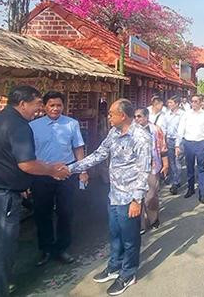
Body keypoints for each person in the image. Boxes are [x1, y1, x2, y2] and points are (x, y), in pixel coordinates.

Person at [0, 86, 69, 297]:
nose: (39, 110)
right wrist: (52, 170)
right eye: (37, 105)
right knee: (0, 255)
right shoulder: (19, 125)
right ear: (22, 104)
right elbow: (27, 164)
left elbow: (4, 160)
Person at [67, 99, 151, 296]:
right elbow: (99, 154)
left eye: (112, 113)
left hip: (129, 198)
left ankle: (128, 273)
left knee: (130, 238)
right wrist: (70, 168)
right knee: (114, 234)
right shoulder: (114, 132)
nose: (109, 116)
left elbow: (144, 170)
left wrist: (137, 200)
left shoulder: (141, 138)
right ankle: (114, 266)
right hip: (114, 194)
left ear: (123, 116)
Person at [29, 91, 87, 266]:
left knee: (66, 212)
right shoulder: (33, 126)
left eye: (59, 105)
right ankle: (46, 248)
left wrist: (82, 170)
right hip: (42, 174)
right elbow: (28, 153)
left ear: (63, 106)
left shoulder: (71, 124)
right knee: (42, 212)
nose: (55, 109)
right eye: (51, 105)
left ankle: (62, 248)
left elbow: (78, 148)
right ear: (44, 106)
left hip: (65, 172)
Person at [134, 108, 168, 234]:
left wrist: (166, 164)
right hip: (136, 168)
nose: (137, 119)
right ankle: (141, 225)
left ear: (146, 117)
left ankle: (153, 219)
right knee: (138, 196)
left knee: (151, 196)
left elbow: (163, 147)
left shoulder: (155, 129)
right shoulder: (132, 131)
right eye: (135, 117)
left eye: (139, 116)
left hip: (153, 166)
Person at [176, 94, 204, 204]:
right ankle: (190, 188)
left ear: (201, 103)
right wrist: (177, 145)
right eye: (192, 101)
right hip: (188, 143)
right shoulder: (186, 114)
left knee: (201, 168)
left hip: (201, 143)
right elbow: (180, 130)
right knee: (190, 168)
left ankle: (202, 193)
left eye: (196, 101)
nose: (194, 103)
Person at [162, 96, 184, 194]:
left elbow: (182, 129)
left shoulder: (183, 115)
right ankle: (175, 178)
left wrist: (178, 144)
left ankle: (175, 182)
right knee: (171, 162)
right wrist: (164, 140)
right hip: (169, 139)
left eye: (171, 103)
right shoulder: (167, 115)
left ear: (177, 104)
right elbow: (164, 128)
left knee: (177, 160)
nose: (169, 104)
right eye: (169, 103)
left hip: (180, 140)